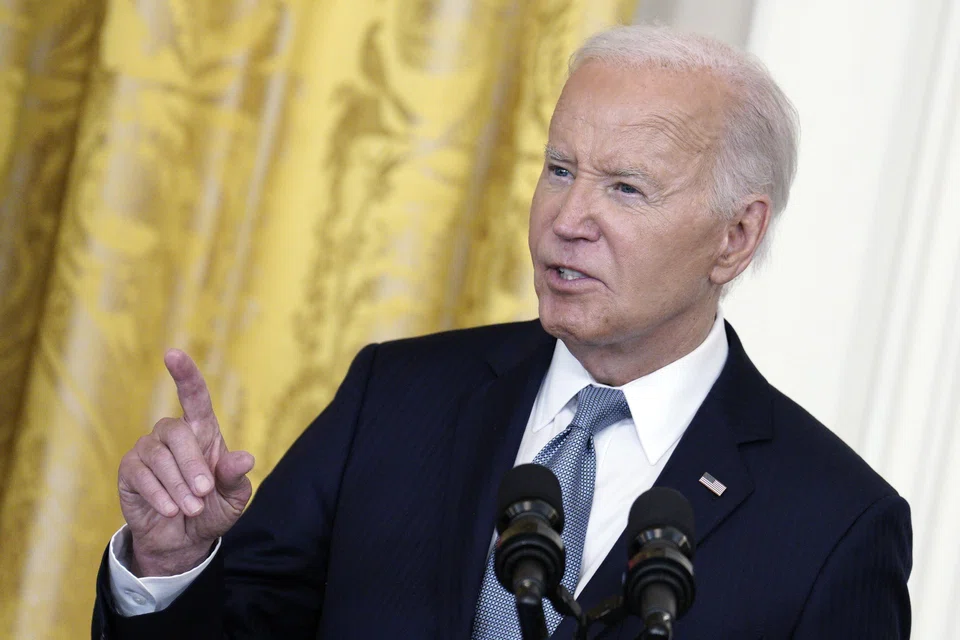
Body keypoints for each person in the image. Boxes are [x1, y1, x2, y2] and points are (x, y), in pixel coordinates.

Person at [92, 25, 912, 639]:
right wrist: (168, 565)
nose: (567, 218)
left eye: (625, 189)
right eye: (559, 169)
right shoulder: (396, 397)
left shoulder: (836, 527)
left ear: (735, 237)